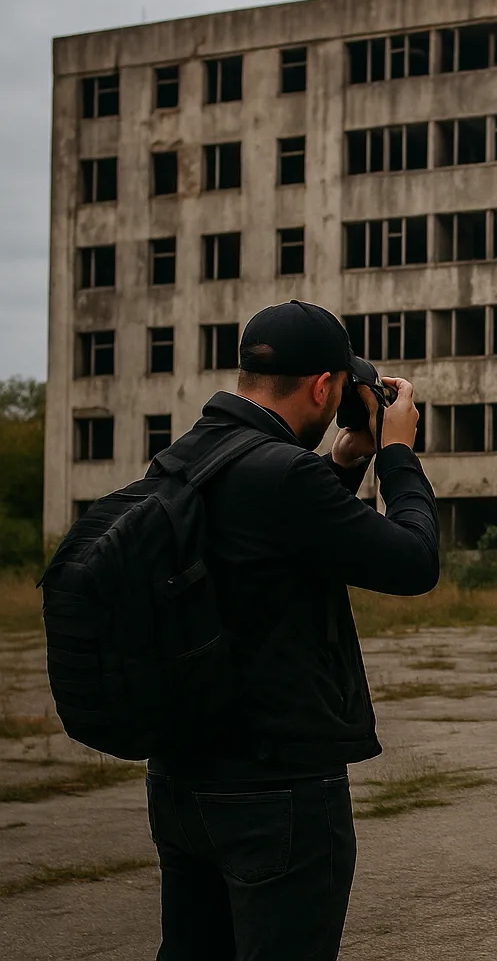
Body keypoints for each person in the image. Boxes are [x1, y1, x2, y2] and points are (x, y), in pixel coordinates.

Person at [145, 301, 439, 961]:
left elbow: (266, 557)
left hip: (182, 780)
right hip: (275, 787)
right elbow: (414, 562)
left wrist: (341, 463)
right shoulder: (283, 475)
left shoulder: (185, 459)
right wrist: (396, 453)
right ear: (320, 387)